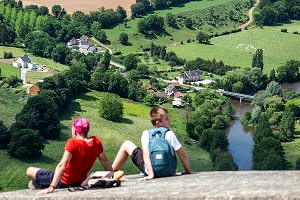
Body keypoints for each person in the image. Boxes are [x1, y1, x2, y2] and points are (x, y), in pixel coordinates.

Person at [26, 118, 120, 195]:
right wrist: (113, 177)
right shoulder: (96, 142)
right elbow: (105, 161)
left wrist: (52, 187)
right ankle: (40, 184)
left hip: (63, 181)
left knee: (29, 170)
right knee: (45, 173)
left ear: (75, 131)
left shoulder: (73, 143)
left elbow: (62, 166)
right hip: (80, 180)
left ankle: (41, 185)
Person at [112, 106, 191, 181]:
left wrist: (151, 174)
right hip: (169, 171)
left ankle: (111, 173)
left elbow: (146, 155)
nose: (169, 121)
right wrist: (187, 170)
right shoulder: (169, 134)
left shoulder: (146, 134)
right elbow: (182, 154)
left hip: (150, 170)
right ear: (158, 123)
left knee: (127, 144)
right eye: (166, 119)